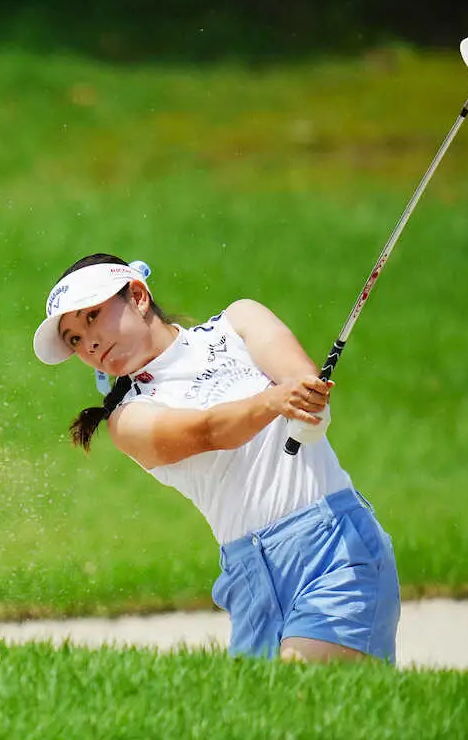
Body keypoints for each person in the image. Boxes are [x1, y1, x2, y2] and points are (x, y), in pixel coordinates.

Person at [33, 253, 400, 664]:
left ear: (137, 296)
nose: (89, 342)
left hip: (334, 550)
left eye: (92, 317)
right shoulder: (128, 419)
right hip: (249, 579)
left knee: (305, 694)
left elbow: (299, 380)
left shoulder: (239, 321)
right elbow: (207, 431)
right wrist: (272, 402)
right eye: (74, 340)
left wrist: (311, 410)